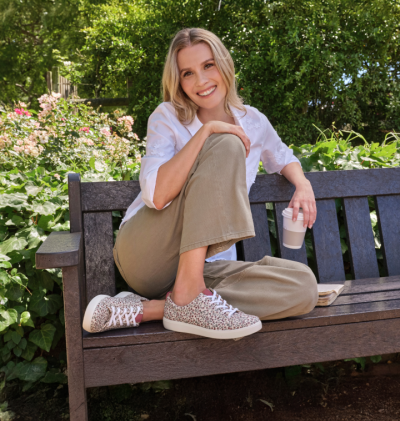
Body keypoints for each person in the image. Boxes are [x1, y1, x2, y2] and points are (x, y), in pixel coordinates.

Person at [82, 28, 318, 340]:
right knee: (226, 143)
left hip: (208, 267)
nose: (201, 81)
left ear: (225, 64)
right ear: (178, 82)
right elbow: (156, 195)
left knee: (303, 286)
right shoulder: (167, 117)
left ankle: (158, 308)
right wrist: (206, 133)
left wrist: (302, 185)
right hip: (150, 253)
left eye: (208, 65)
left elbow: (281, 156)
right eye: (188, 73)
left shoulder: (253, 121)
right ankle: (188, 296)